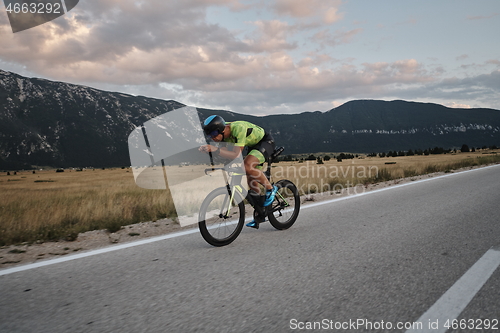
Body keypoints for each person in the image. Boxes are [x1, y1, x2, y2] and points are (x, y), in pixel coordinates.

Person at [199, 115, 278, 228]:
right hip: (252, 146)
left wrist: (215, 149)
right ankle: (260, 211)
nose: (212, 138)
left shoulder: (238, 128)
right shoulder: (222, 137)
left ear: (221, 130)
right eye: (209, 135)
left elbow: (236, 154)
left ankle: (271, 189)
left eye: (213, 134)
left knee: (246, 166)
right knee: (250, 178)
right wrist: (210, 152)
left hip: (265, 142)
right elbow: (225, 153)